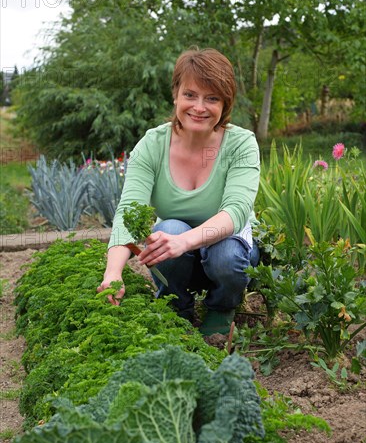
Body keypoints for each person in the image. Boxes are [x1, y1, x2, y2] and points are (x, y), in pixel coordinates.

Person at [97, 47, 260, 336]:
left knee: (227, 254)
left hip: (227, 253)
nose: (199, 107)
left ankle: (222, 307)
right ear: (176, 94)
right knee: (167, 228)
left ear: (225, 104)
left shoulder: (241, 144)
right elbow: (128, 211)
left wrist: (184, 241)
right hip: (178, 256)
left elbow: (235, 213)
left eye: (211, 98)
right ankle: (177, 307)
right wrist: (113, 273)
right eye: (190, 95)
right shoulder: (152, 144)